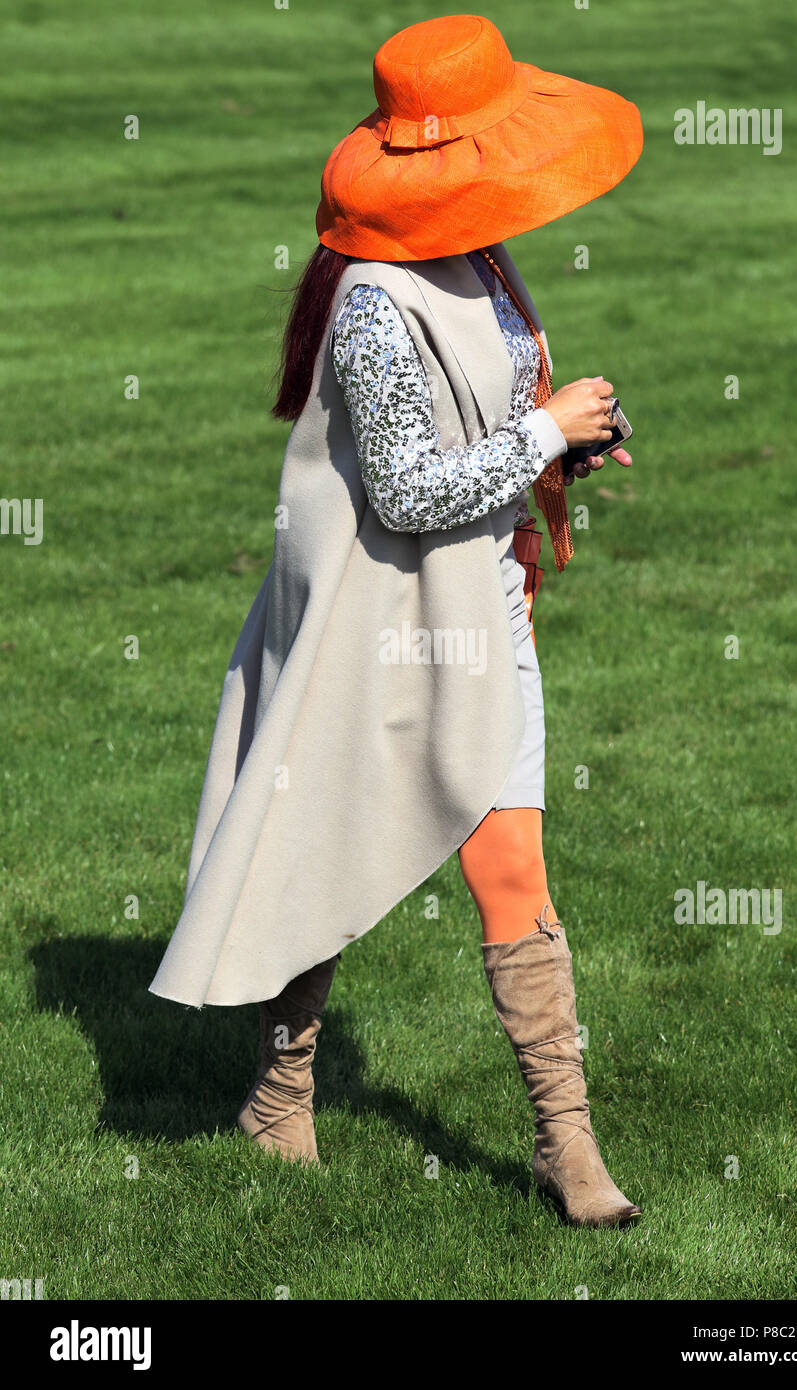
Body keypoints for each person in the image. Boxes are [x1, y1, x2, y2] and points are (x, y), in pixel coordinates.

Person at [150, 13, 643, 1228]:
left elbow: (475, 433)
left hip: (482, 614)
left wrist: (567, 449)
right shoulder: (373, 303)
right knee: (336, 835)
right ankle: (278, 1094)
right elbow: (411, 491)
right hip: (383, 624)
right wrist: (545, 430)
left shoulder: (478, 261)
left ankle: (567, 1151)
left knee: (510, 864)